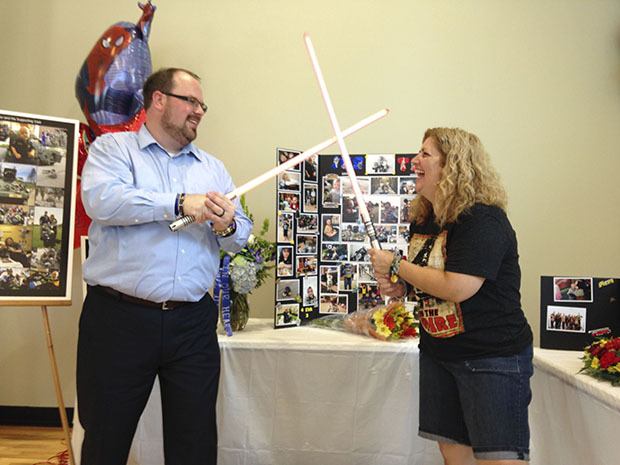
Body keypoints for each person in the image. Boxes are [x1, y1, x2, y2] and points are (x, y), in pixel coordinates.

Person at [78, 67, 252, 465]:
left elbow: (239, 233)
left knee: (194, 444)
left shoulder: (213, 169)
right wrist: (178, 203)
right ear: (158, 100)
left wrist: (227, 224)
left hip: (191, 324)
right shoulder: (113, 151)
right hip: (118, 320)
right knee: (106, 438)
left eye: (201, 104)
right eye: (190, 101)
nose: (199, 111)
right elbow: (103, 202)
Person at [369, 127, 533, 465]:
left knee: (499, 459)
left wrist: (397, 266)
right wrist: (403, 287)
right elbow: (431, 278)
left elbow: (458, 286)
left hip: (491, 357)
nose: (414, 160)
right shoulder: (425, 218)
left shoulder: (482, 219)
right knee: (452, 452)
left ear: (452, 165)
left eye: (425, 154)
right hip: (438, 353)